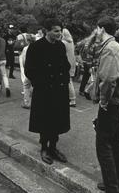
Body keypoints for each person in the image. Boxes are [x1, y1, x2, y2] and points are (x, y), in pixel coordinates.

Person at [25, 19, 70, 165]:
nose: (59, 34)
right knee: (45, 120)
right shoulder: (36, 47)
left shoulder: (61, 46)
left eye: (60, 31)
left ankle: (53, 147)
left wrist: (65, 80)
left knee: (57, 119)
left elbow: (65, 65)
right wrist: (40, 84)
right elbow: (29, 70)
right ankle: (44, 148)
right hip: (44, 90)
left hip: (59, 89)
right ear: (47, 31)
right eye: (56, 31)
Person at [94, 16, 119, 193]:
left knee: (103, 146)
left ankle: (112, 187)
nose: (95, 33)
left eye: (97, 29)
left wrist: (103, 102)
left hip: (112, 104)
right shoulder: (117, 47)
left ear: (101, 29)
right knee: (116, 144)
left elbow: (108, 80)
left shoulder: (109, 49)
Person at [20, 34, 36, 109]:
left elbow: (23, 61)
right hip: (37, 69)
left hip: (29, 69)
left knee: (26, 85)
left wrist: (24, 67)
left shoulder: (26, 48)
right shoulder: (38, 47)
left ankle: (27, 102)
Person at [62, 28, 76, 107]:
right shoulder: (71, 42)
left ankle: (73, 99)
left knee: (68, 81)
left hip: (66, 63)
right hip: (72, 62)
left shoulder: (63, 42)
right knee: (68, 80)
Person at [17, 26, 32, 94]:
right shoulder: (30, 35)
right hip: (30, 51)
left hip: (22, 53)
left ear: (20, 30)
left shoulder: (19, 36)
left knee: (23, 70)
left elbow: (17, 46)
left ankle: (25, 88)